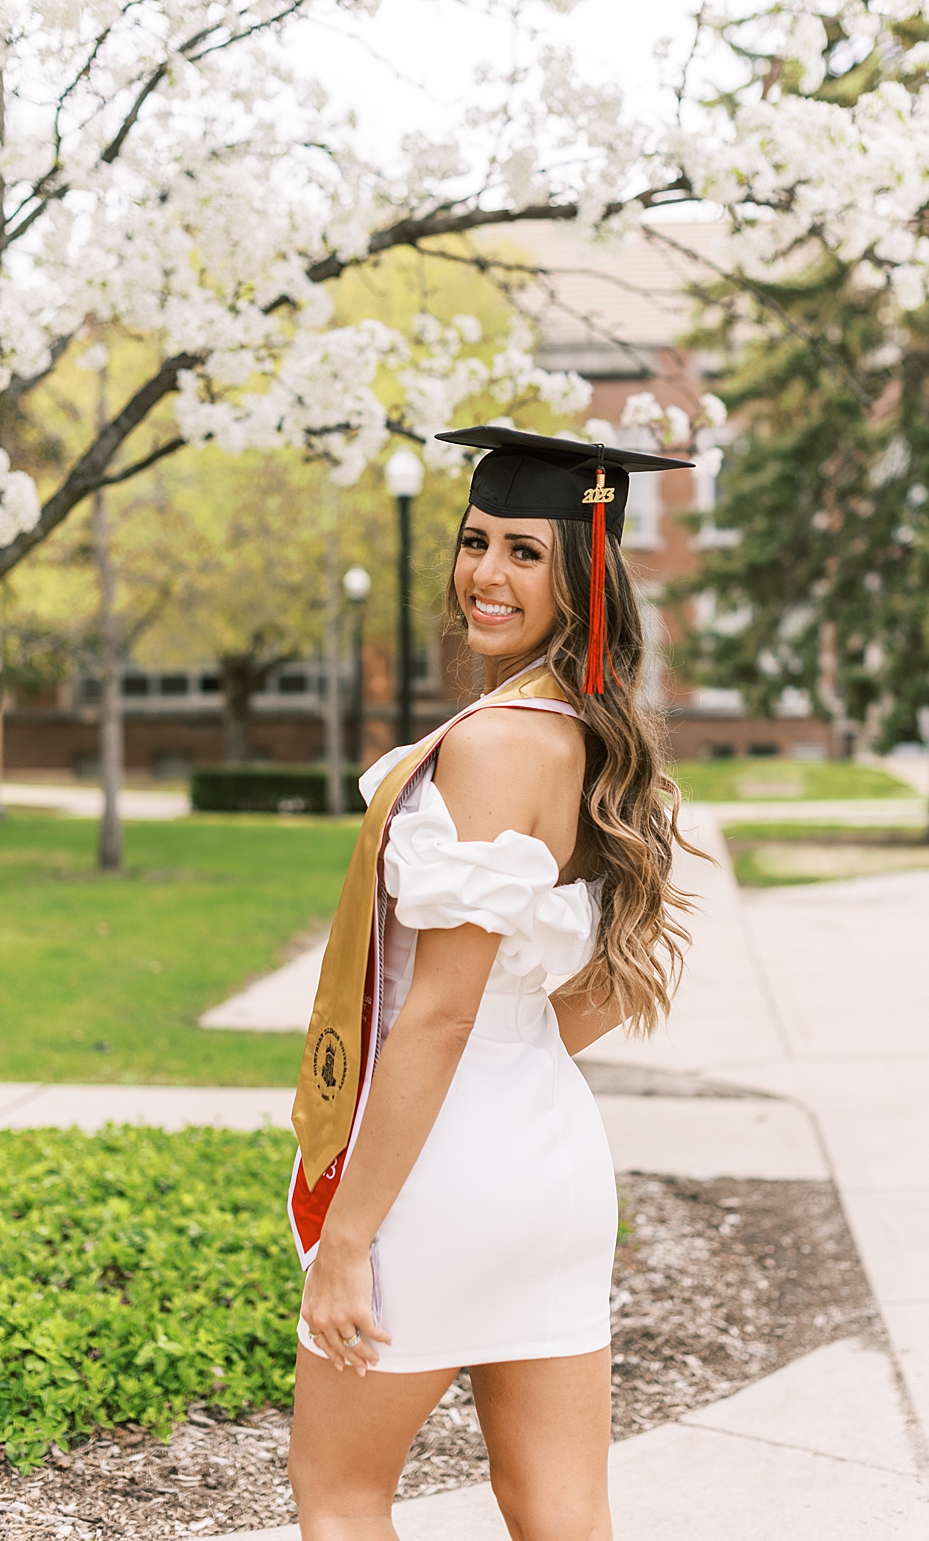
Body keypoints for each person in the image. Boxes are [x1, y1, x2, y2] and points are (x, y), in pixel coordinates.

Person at [284, 426, 702, 1541]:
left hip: (439, 1173)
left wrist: (351, 1240)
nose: (485, 573)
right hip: (552, 1166)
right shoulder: (594, 740)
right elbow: (600, 990)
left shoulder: (491, 742)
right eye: (477, 541)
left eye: (526, 550)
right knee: (560, 1509)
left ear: (579, 575)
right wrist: (508, 1062)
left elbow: (438, 1012)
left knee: (340, 1491)